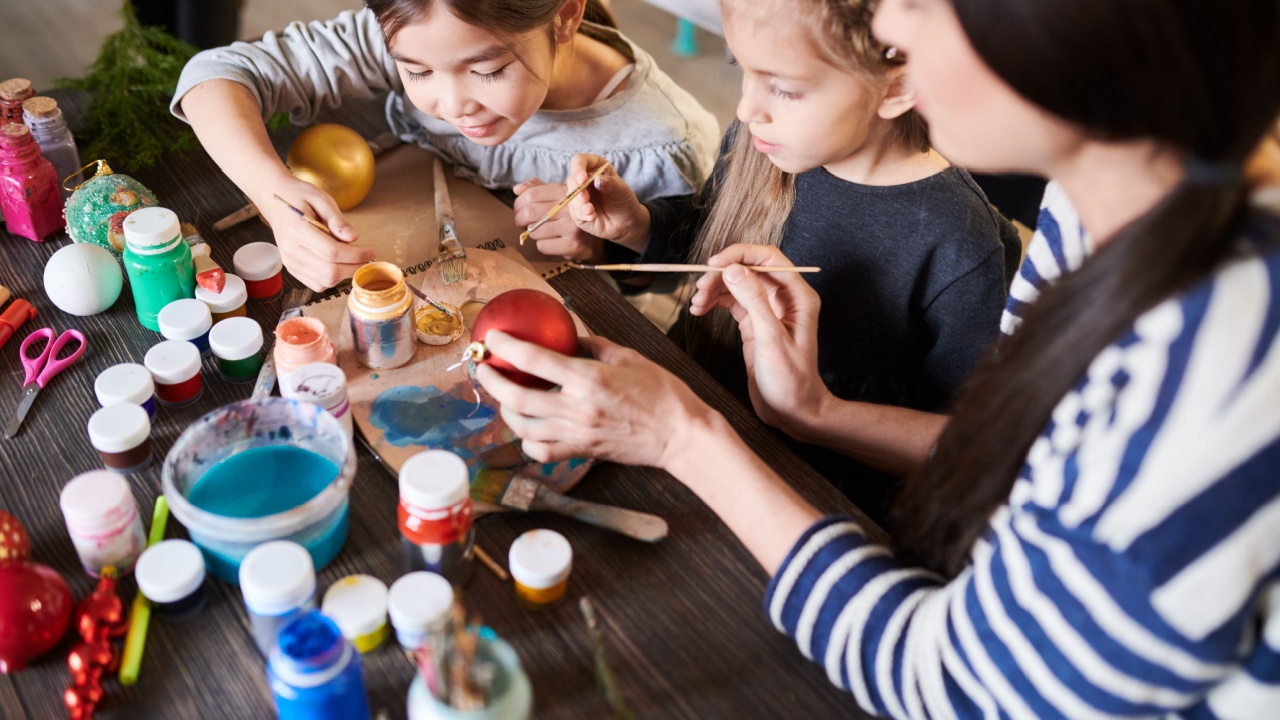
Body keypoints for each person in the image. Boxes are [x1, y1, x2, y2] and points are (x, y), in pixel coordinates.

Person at [473, 0, 1280, 715]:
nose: (888, 26)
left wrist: (687, 436)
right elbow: (1015, 453)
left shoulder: (1217, 385)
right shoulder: (1098, 199)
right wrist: (816, 414)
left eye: (924, 4)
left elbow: (953, 683)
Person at [560, 0, 1020, 521]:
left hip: (810, 500)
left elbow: (965, 444)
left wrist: (822, 412)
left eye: (784, 88)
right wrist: (639, 226)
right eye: (741, 69)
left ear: (895, 87)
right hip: (692, 423)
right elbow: (704, 246)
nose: (745, 109)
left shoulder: (961, 245)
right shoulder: (767, 142)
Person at [171, 0, 720, 291]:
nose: (453, 105)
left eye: (487, 69)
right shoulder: (418, 23)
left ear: (566, 17)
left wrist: (602, 245)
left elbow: (679, 280)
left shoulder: (663, 143)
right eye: (416, 71)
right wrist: (274, 199)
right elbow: (213, 75)